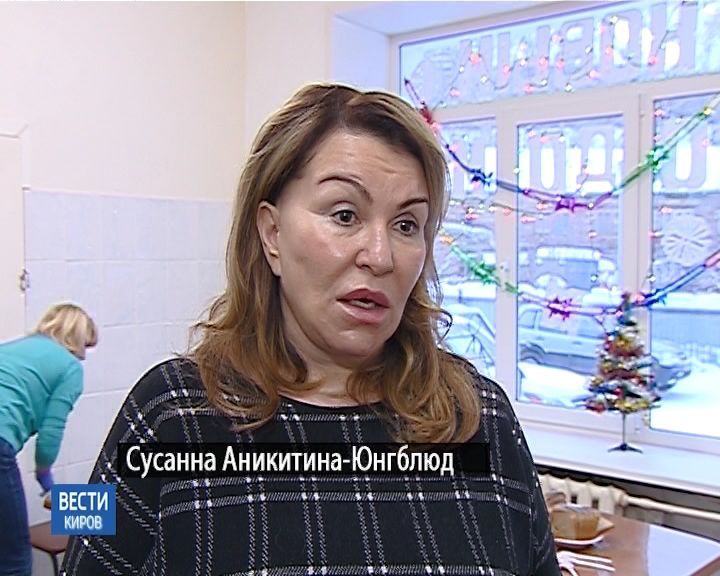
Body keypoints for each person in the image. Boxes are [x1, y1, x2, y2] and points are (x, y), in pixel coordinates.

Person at [62, 83, 561, 575]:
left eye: (407, 225)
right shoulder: (168, 413)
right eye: (345, 215)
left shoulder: (482, 417)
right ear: (272, 234)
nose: (381, 256)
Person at [0, 303, 98, 576]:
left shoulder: (13, 349)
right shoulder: (69, 367)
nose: (84, 356)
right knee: (15, 561)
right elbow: (51, 432)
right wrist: (45, 476)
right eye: (86, 346)